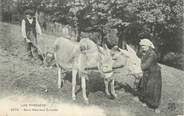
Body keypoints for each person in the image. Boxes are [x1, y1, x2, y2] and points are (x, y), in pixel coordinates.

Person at [137, 39, 162, 113]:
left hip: (154, 74)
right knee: (144, 87)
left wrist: (138, 66)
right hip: (147, 73)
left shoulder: (152, 54)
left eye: (144, 46)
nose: (143, 47)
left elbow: (145, 65)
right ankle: (145, 101)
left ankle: (155, 106)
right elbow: (138, 57)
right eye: (142, 46)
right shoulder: (144, 52)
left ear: (148, 46)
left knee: (154, 90)